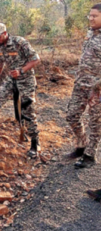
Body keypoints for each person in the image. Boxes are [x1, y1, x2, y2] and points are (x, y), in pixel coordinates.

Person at [0, 23, 41, 158]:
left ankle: (35, 142)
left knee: (28, 108)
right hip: (11, 78)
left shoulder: (20, 42)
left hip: (26, 79)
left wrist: (21, 70)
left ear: (5, 33)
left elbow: (36, 60)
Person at [66, 4, 101, 170]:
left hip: (97, 88)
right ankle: (81, 144)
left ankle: (90, 155)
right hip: (80, 84)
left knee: (95, 122)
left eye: (95, 16)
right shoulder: (90, 33)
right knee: (72, 115)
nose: (91, 18)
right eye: (90, 15)